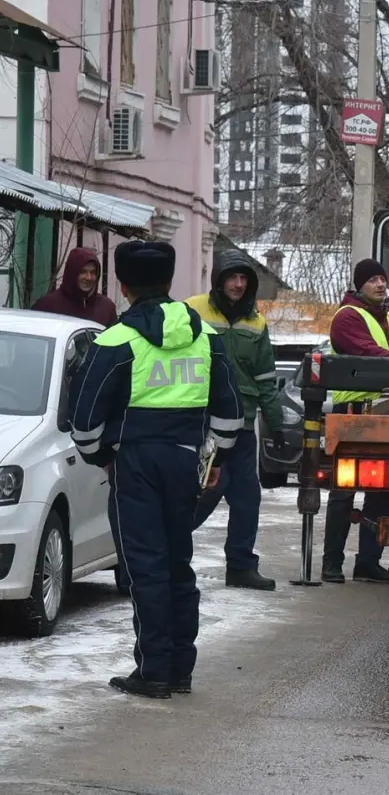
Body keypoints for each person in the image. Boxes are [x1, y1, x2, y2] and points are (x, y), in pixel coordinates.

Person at [68, 241, 244, 699]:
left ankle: (154, 671)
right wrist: (214, 458)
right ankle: (180, 669)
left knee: (146, 566)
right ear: (169, 284)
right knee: (177, 563)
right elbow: (230, 414)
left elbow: (83, 421)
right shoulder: (207, 337)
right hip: (187, 459)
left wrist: (101, 455)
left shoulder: (115, 340)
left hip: (136, 463)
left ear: (123, 287)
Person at [185, 251, 285, 591]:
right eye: (232, 277)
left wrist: (277, 423)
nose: (238, 285)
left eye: (244, 279)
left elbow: (266, 377)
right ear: (218, 279)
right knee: (202, 494)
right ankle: (169, 551)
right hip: (203, 422)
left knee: (247, 497)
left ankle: (241, 566)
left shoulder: (256, 322)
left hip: (242, 424)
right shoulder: (193, 310)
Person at [322, 258, 389, 584]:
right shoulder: (347, 318)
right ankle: (331, 563)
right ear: (359, 284)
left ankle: (367, 561)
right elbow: (369, 353)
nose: (380, 284)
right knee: (343, 492)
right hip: (352, 414)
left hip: (383, 413)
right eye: (373, 279)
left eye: (383, 278)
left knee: (381, 491)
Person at [32, 246, 118, 327]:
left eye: (93, 272)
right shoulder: (47, 307)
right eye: (83, 272)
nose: (89, 277)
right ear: (72, 273)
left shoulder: (106, 309)